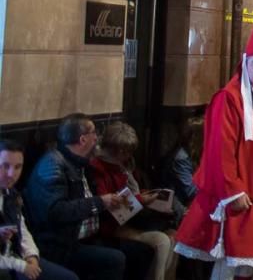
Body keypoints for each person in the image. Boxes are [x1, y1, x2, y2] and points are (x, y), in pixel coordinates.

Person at [174, 0, 253, 278]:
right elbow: (220, 149)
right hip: (239, 198)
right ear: (245, 64)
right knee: (230, 267)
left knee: (249, 270)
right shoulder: (229, 99)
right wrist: (232, 190)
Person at [24, 114, 152, 280]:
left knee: (142, 252)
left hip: (89, 236)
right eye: (94, 132)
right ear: (83, 139)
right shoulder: (53, 165)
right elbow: (55, 211)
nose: (97, 138)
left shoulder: (81, 163)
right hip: (61, 245)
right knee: (114, 259)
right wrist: (99, 202)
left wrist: (118, 202)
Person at [90, 121, 177, 280]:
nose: (129, 156)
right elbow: (110, 207)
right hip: (111, 226)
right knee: (163, 241)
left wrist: (147, 198)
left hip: (129, 220)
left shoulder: (119, 166)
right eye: (127, 152)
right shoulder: (98, 168)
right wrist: (141, 200)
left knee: (175, 236)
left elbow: (127, 194)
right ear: (119, 150)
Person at [0, 139, 78, 280]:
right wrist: (22, 266)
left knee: (68, 278)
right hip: (6, 265)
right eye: (5, 166)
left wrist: (31, 255)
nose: (12, 174)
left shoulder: (11, 194)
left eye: (18, 167)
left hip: (15, 255)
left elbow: (22, 229)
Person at [160, 117, 203, 211]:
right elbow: (191, 191)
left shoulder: (196, 153)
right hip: (181, 205)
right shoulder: (181, 158)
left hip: (194, 201)